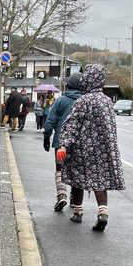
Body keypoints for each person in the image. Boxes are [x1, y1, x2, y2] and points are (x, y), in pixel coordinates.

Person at [57, 64, 125, 231]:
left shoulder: (83, 100)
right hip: (103, 150)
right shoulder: (107, 101)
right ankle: (103, 212)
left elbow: (72, 125)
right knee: (99, 181)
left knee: (78, 179)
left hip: (83, 149)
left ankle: (78, 212)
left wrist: (64, 145)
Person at [43, 73, 82, 211]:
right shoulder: (84, 101)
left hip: (61, 142)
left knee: (60, 169)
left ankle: (61, 195)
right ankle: (74, 200)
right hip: (79, 143)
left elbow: (50, 121)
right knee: (77, 171)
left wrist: (46, 137)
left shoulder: (60, 100)